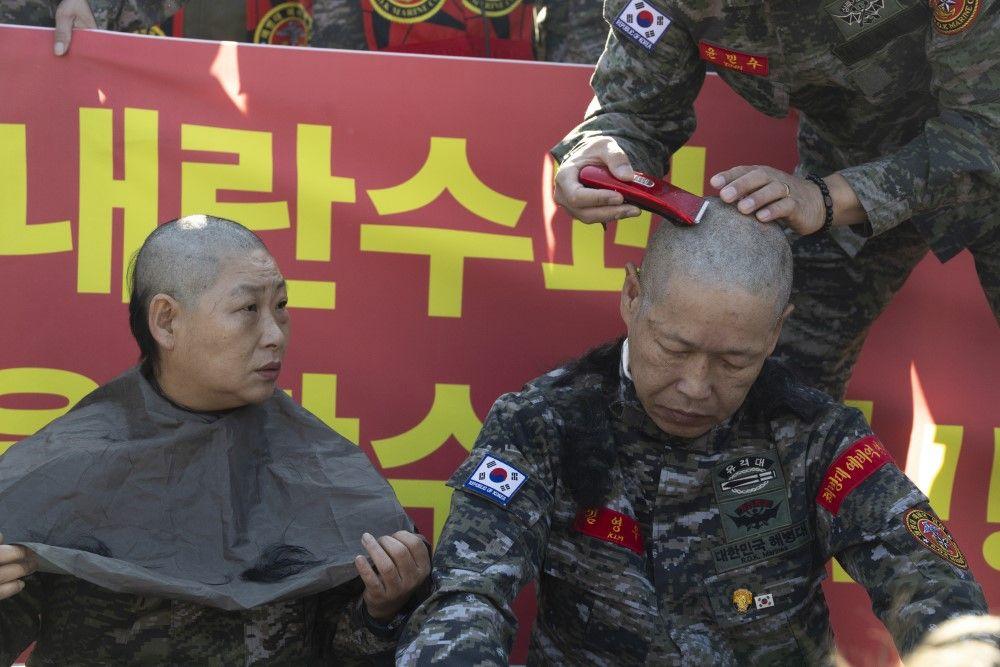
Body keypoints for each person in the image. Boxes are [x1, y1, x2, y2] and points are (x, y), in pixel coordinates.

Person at [396, 203, 988, 665]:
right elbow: (470, 594)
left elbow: (927, 575)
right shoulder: (542, 422)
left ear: (777, 332)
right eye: (675, 349)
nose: (696, 387)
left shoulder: (814, 434)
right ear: (632, 297)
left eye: (734, 362)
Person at [0, 215, 430, 665]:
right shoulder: (68, 467)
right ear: (166, 321)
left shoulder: (319, 464)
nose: (274, 334)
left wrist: (382, 611)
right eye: (248, 310)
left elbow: (344, 650)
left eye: (280, 305)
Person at [551, 0, 999, 400]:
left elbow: (987, 130)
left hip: (953, 156)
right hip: (846, 163)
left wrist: (827, 198)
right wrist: (604, 146)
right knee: (771, 385)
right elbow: (635, 109)